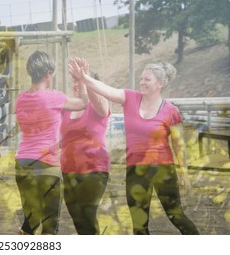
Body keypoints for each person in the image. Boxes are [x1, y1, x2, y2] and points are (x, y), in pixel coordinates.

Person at [69, 59, 199, 235]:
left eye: (147, 79)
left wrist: (184, 172)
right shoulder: (129, 98)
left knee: (175, 215)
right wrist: (83, 77)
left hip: (163, 169)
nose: (142, 82)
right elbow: (106, 90)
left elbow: (179, 145)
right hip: (135, 170)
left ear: (160, 84)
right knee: (139, 224)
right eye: (141, 78)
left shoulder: (171, 110)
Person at [14, 51, 88, 235]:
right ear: (48, 75)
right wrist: (83, 79)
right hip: (47, 164)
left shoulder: (20, 100)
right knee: (49, 225)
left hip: (23, 163)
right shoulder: (54, 97)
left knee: (30, 222)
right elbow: (83, 103)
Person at [60, 57, 111, 235]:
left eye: (79, 81)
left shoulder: (98, 106)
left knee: (87, 214)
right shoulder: (67, 109)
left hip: (93, 169)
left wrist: (85, 78)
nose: (76, 84)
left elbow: (102, 107)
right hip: (68, 170)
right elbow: (64, 139)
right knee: (78, 219)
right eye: (74, 81)